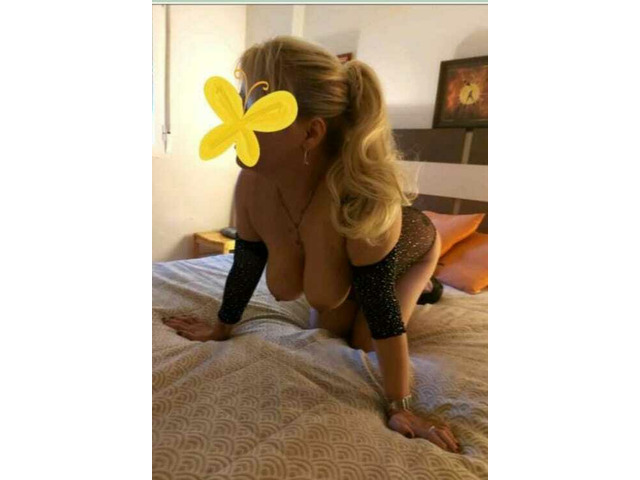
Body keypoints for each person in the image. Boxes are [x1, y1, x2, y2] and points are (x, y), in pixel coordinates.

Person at [163, 35, 459, 452]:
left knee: (363, 340)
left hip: (411, 247)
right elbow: (246, 263)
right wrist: (221, 327)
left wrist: (401, 404)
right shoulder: (251, 185)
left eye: (254, 108)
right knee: (324, 323)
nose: (236, 119)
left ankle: (427, 285)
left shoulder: (361, 199)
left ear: (311, 132)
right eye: (239, 101)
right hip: (353, 255)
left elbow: (383, 310)